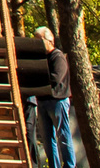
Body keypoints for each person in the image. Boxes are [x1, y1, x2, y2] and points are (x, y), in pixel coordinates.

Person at [39, 28, 78, 168]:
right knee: (47, 139)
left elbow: (55, 78)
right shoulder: (41, 58)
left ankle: (69, 165)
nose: (37, 44)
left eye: (39, 40)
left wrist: (38, 80)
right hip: (43, 101)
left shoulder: (57, 56)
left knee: (63, 136)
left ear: (49, 41)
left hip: (58, 101)